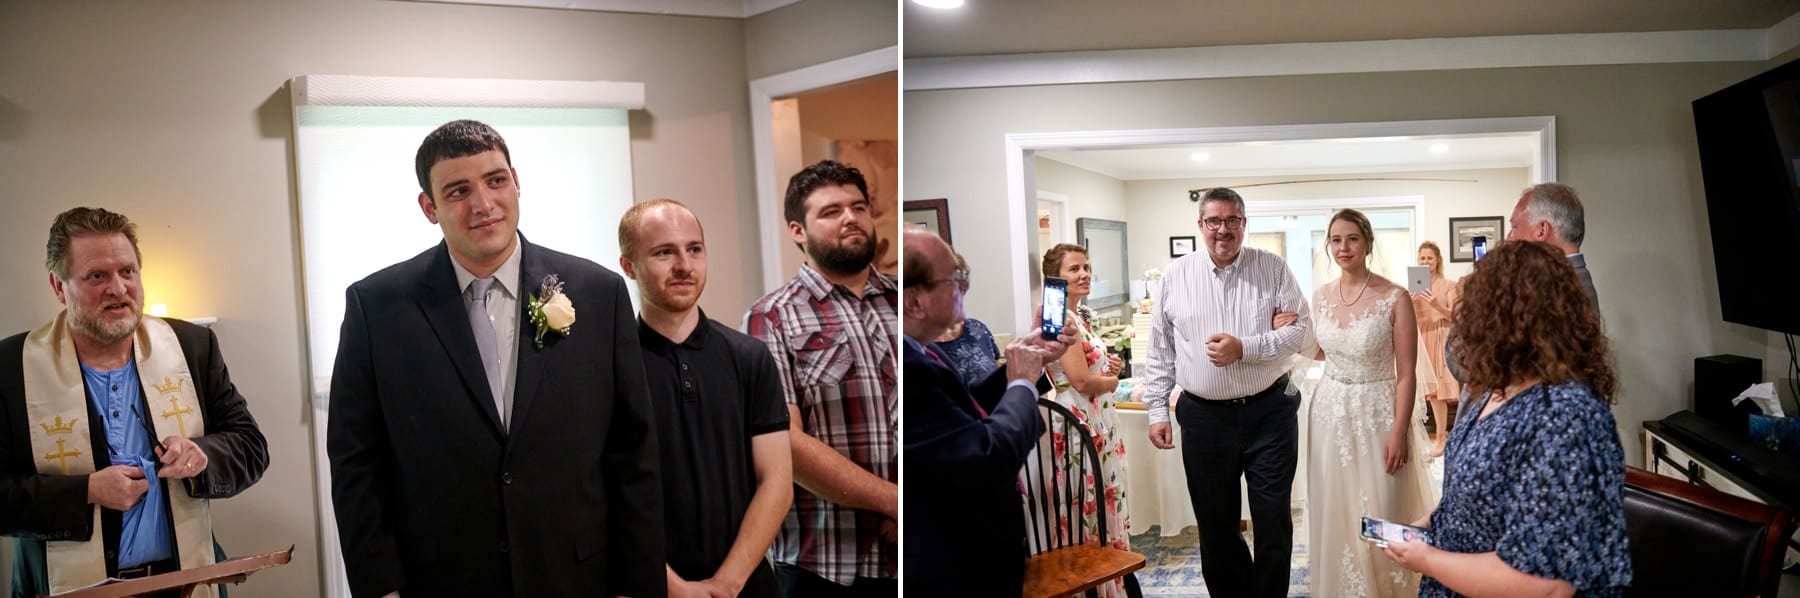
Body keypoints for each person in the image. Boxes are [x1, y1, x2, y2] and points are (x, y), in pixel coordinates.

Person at [327, 120, 663, 597]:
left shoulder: (598, 293)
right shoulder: (376, 306)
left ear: (517, 182)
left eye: (496, 180)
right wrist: (381, 588)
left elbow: (633, 452)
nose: (483, 205)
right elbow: (356, 460)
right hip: (440, 578)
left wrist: (637, 586)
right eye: (458, 190)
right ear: (429, 207)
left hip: (578, 575)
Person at [1, 207, 269, 598]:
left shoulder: (191, 347)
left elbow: (251, 446)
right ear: (59, 287)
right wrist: (86, 492)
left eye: (127, 271)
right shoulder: (12, 367)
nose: (118, 288)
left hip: (184, 584)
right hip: (68, 587)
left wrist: (201, 454)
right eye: (97, 276)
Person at [1383, 241, 1631, 597]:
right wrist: (1428, 525)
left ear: (1509, 317)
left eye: (1476, 305)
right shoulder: (1495, 390)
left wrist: (1426, 559)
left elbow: (1546, 585)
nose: (1466, 318)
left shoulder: (1565, 417)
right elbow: (1474, 490)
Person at [618, 199, 792, 598]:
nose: (684, 265)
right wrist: (672, 587)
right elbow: (599, 491)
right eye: (664, 252)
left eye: (694, 249)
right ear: (629, 266)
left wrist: (726, 585)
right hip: (650, 588)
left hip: (746, 585)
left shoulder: (749, 357)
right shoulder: (610, 365)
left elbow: (776, 481)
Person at [1142, 187, 1311, 598]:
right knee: (1216, 524)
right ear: (1201, 225)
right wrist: (1157, 412)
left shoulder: (1273, 268)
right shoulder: (1175, 276)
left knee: (1273, 519)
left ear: (1244, 224)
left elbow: (1302, 332)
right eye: (1214, 221)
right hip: (1203, 417)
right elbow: (1160, 349)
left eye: (1232, 220)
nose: (1224, 229)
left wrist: (1245, 348)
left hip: (1270, 411)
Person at [744, 160, 897, 596]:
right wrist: (893, 500)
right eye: (831, 212)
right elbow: (784, 441)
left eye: (859, 207)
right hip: (827, 563)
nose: (850, 217)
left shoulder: (903, 303)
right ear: (798, 231)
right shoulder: (770, 317)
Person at [901, 231, 1069, 597]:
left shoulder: (923, 352)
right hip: (954, 561)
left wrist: (1031, 363)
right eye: (954, 279)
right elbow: (986, 456)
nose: (964, 286)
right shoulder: (908, 366)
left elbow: (965, 411)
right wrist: (1022, 383)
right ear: (914, 300)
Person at [1305, 209, 1437, 598]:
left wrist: (1400, 431)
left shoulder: (1395, 297)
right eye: (1335, 240)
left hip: (1379, 412)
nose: (1343, 248)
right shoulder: (1320, 297)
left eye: (1352, 239)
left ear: (1368, 243)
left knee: (1384, 505)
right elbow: (1321, 350)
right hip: (1329, 413)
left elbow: (1407, 372)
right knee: (1337, 508)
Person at [1030, 242, 1131, 597]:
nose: (1084, 274)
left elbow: (1089, 368)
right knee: (1085, 502)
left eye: (1086, 267)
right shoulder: (1057, 315)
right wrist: (1115, 381)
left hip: (1095, 415)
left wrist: (1108, 365)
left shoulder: (1077, 314)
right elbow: (1080, 381)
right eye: (1074, 269)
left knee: (1102, 496)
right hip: (1076, 419)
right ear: (1055, 279)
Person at [1446, 182, 1597, 388]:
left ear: (1541, 230)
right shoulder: (1577, 280)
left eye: (1515, 226)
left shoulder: (1543, 289)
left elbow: (1465, 363)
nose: (1509, 237)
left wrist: (1472, 297)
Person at [1411, 241, 1460, 457]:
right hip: (1423, 338)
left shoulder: (1449, 284)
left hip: (1441, 336)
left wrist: (1434, 304)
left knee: (1440, 391)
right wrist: (1410, 303)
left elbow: (1455, 315)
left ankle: (1442, 436)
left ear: (1437, 260)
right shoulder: (1415, 287)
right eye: (1422, 258)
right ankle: (1439, 436)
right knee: (1430, 393)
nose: (1426, 262)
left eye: (1429, 258)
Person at [929, 252, 1000, 388]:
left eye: (962, 284)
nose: (959, 291)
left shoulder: (978, 329)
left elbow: (998, 382)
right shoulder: (916, 344)